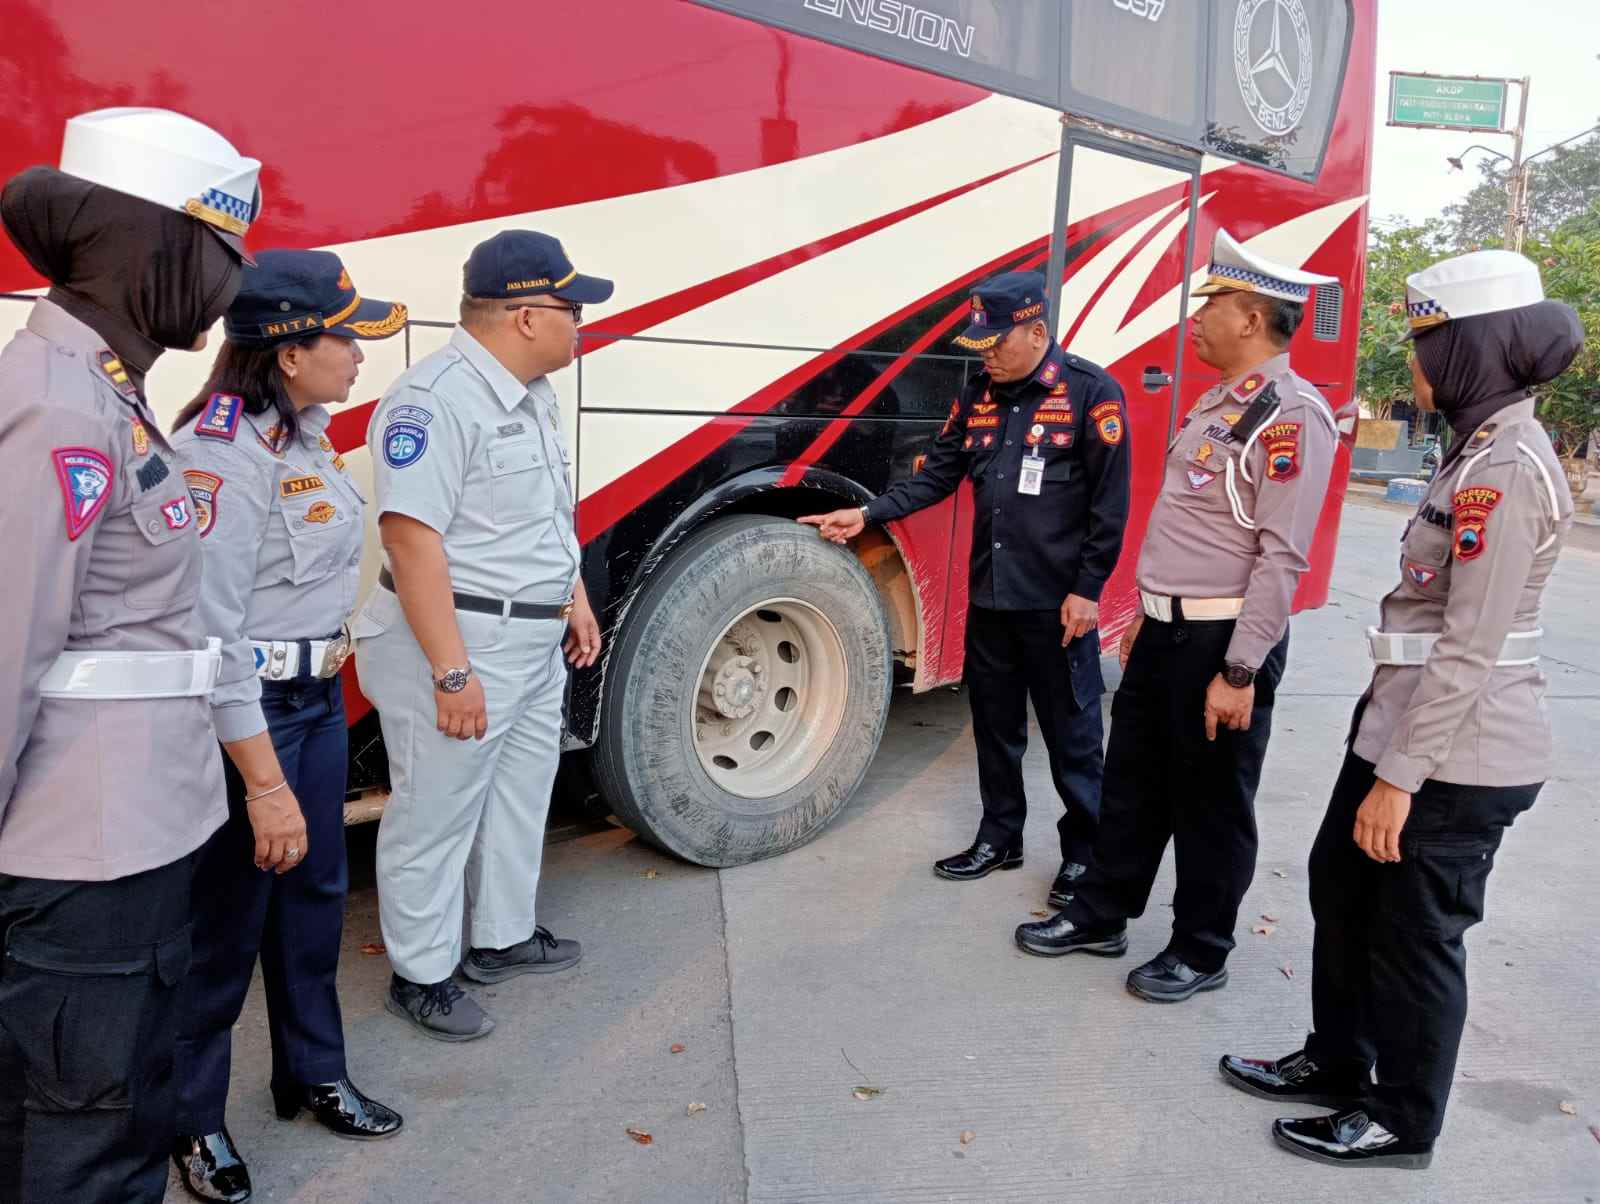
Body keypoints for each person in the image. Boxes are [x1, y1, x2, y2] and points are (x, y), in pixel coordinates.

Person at [1221, 250, 1583, 1169]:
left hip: (1457, 758)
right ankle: (1339, 1064)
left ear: (1474, 349)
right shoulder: (1471, 448)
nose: (1413, 364)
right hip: (1399, 729)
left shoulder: (1507, 468)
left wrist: (1399, 782)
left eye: (1427, 342)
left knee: (1417, 939)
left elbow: (1469, 646)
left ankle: (1401, 1119)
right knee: (1340, 894)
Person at [0, 108, 259, 1203]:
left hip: (142, 833)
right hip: (82, 858)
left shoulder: (107, 394)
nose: (225, 291)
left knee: (122, 1119)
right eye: (218, 255)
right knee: (78, 1142)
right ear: (157, 246)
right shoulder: (59, 407)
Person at [1014, 230, 1340, 1003]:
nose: (1197, 319)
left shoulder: (1290, 417)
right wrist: (1150, 611)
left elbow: (1281, 557)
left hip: (1223, 642)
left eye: (1214, 305)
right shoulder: (1219, 402)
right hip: (1167, 629)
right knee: (1131, 782)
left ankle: (1200, 949)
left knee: (1211, 804)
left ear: (1253, 319)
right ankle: (1101, 914)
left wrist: (1239, 670)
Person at [167, 250, 408, 1201]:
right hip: (245, 722)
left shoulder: (303, 441)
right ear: (286, 351)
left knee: (313, 902)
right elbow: (213, 638)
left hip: (312, 706)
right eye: (341, 339)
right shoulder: (218, 455)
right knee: (226, 926)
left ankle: (313, 1074)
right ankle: (193, 1121)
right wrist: (262, 784)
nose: (356, 356)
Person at [801, 270, 1130, 907]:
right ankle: (999, 837)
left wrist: (1088, 590)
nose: (986, 354)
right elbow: (940, 473)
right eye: (979, 344)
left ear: (1037, 331)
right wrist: (867, 515)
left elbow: (1110, 505)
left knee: (1074, 737)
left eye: (996, 342)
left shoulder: (1092, 393)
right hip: (992, 598)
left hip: (1057, 605)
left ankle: (1085, 857)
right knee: (996, 725)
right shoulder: (979, 393)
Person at [352, 230, 608, 1040]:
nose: (583, 325)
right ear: (527, 316)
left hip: (530, 641)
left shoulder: (529, 393)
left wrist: (572, 599)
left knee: (519, 795)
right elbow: (411, 540)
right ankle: (421, 975)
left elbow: (536, 518)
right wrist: (452, 672)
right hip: (461, 642)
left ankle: (499, 937)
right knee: (435, 809)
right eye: (573, 310)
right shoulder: (434, 401)